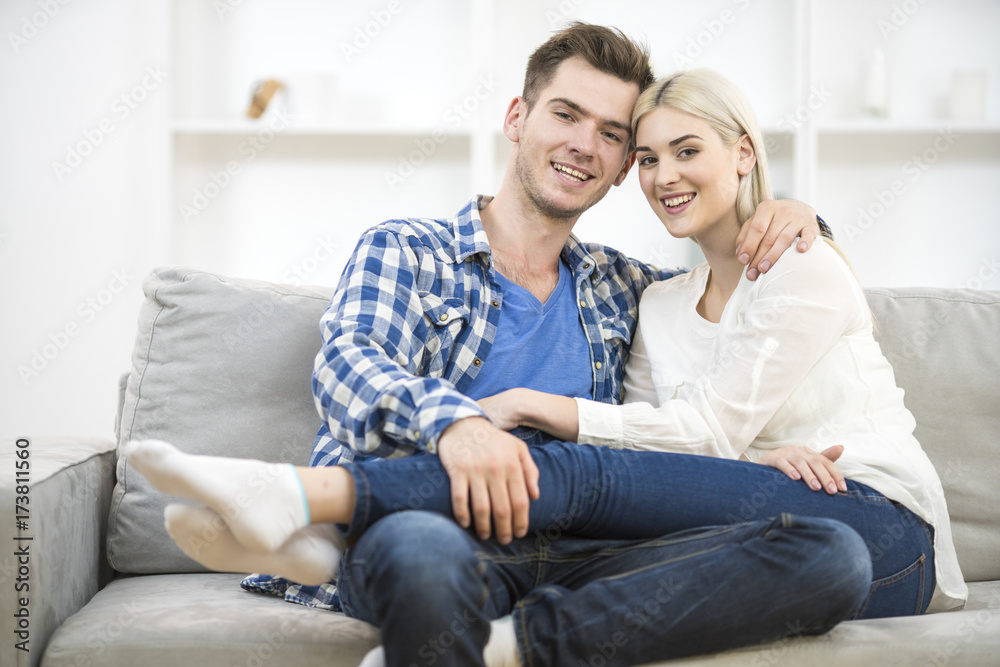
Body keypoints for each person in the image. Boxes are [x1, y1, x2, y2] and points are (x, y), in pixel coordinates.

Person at [127, 23, 865, 667]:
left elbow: (709, 370)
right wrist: (458, 423)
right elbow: (350, 367)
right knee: (423, 562)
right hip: (431, 530)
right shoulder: (407, 251)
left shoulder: (628, 287)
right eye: (565, 114)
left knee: (824, 553)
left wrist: (800, 217)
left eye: (611, 135)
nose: (584, 144)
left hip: (585, 552)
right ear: (518, 117)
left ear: (620, 171)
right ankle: (326, 533)